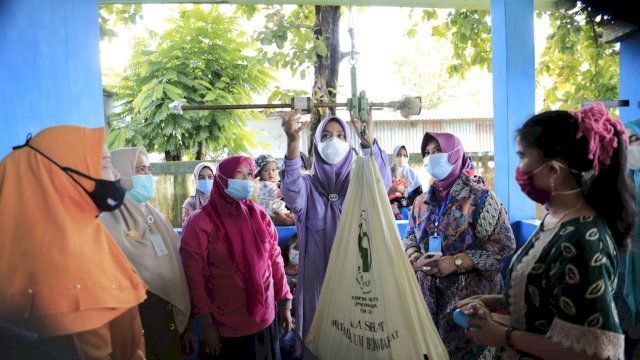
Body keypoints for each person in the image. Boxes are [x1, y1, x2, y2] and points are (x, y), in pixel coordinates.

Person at [460, 103, 634, 360]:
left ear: (553, 171)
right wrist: (494, 301)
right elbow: (551, 300)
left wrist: (504, 335)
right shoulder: (556, 220)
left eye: (522, 157)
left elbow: (597, 351)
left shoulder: (584, 238)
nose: (519, 169)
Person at [0, 126, 147, 359]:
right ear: (64, 178)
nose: (117, 176)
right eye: (107, 165)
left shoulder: (86, 233)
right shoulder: (65, 277)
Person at [279, 108, 391, 357]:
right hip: (317, 286)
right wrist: (293, 142)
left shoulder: (358, 183)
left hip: (356, 286)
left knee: (354, 346)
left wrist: (367, 138)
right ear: (317, 144)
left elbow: (381, 183)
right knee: (318, 345)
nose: (334, 141)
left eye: (341, 135)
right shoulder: (307, 187)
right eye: (327, 135)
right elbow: (291, 191)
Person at [401, 131, 516, 359]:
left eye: (438, 152)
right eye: (427, 153)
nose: (432, 158)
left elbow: (504, 244)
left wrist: (456, 262)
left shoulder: (480, 198)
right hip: (427, 306)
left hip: (470, 309)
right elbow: (410, 237)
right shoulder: (420, 202)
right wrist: (414, 256)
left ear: (455, 154)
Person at [180, 155, 293, 359]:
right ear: (222, 179)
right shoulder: (200, 223)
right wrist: (205, 325)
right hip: (224, 327)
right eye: (237, 174)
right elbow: (194, 277)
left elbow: (274, 258)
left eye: (249, 174)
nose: (245, 180)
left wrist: (284, 301)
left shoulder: (259, 216)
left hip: (265, 319)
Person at [100, 147, 193, 360]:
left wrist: (186, 325)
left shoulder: (156, 216)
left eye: (148, 169)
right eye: (140, 169)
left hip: (169, 324)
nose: (148, 176)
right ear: (120, 173)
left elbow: (177, 271)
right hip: (136, 327)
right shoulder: (105, 222)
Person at [618, 117, 640, 358]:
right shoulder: (626, 182)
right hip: (625, 271)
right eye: (626, 142)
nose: (629, 148)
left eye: (634, 139)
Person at [279, 234, 300, 360]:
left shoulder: (307, 275)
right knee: (285, 340)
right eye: (296, 248)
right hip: (284, 319)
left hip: (301, 321)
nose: (298, 252)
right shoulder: (280, 274)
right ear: (288, 250)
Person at [254, 154, 292, 220]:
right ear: (259, 173)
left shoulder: (262, 184)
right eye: (266, 171)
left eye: (273, 170)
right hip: (271, 210)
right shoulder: (267, 185)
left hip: (265, 209)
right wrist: (283, 187)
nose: (271, 173)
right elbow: (278, 194)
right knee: (285, 212)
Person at [182, 161, 216, 226]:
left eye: (210, 177)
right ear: (196, 179)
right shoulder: (189, 203)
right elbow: (186, 229)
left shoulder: (220, 202)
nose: (206, 180)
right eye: (201, 177)